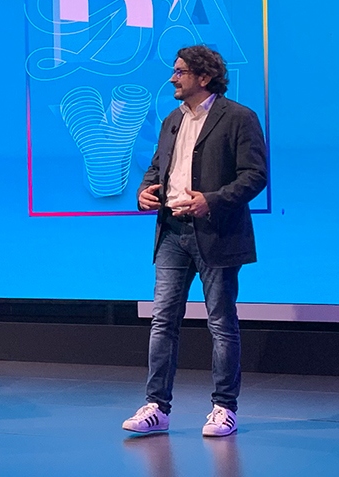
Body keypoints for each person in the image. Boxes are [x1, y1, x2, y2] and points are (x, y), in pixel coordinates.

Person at [122, 45, 267, 437]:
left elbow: (255, 175)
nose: (173, 77)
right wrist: (144, 191)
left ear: (204, 77)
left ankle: (224, 408)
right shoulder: (172, 119)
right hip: (171, 232)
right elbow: (157, 168)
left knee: (221, 322)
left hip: (216, 233)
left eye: (180, 71)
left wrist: (211, 201)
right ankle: (157, 407)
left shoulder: (238, 117)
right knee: (163, 320)